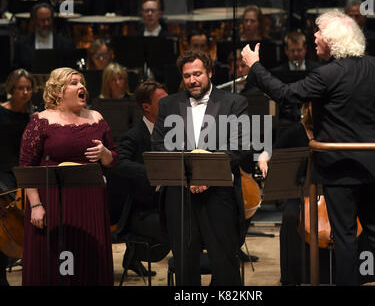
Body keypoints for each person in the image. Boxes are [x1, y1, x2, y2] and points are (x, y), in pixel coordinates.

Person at [242, 9, 375, 285]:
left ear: (331, 41)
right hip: (372, 167)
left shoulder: (327, 74)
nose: (314, 37)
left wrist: (255, 66)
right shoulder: (373, 66)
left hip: (339, 172)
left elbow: (285, 94)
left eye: (318, 33)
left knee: (343, 238)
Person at [151, 49, 248, 286]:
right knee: (185, 266)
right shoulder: (168, 104)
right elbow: (159, 146)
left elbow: (239, 147)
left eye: (197, 74)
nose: (192, 80)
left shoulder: (235, 102)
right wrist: (190, 177)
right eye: (187, 76)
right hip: (180, 196)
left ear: (210, 73)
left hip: (219, 195)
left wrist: (206, 176)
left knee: (225, 264)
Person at [19, 67, 118, 285]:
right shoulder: (41, 121)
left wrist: (104, 153)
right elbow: (27, 167)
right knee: (55, 264)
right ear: (58, 91)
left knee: (87, 260)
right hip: (52, 201)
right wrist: (35, 205)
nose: (82, 86)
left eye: (82, 82)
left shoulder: (96, 118)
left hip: (90, 201)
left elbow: (113, 159)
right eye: (74, 83)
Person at [110, 80, 169, 277]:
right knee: (178, 228)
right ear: (146, 107)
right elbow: (119, 163)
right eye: (163, 102)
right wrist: (153, 171)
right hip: (143, 210)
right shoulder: (133, 136)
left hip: (167, 202)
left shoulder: (173, 131)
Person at [0, 68, 36, 287]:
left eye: (28, 88)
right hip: (2, 172)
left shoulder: (33, 115)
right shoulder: (0, 112)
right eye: (20, 88)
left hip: (23, 171)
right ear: (11, 89)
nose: (25, 92)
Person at [271, 31, 321, 124]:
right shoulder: (277, 72)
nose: (296, 54)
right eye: (292, 51)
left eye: (299, 50)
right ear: (286, 50)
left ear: (305, 49)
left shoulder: (317, 69)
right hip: (285, 118)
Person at [12, 2, 75, 71]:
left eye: (49, 19)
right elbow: (17, 71)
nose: (46, 23)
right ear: (34, 21)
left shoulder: (66, 44)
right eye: (42, 20)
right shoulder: (21, 44)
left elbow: (70, 71)